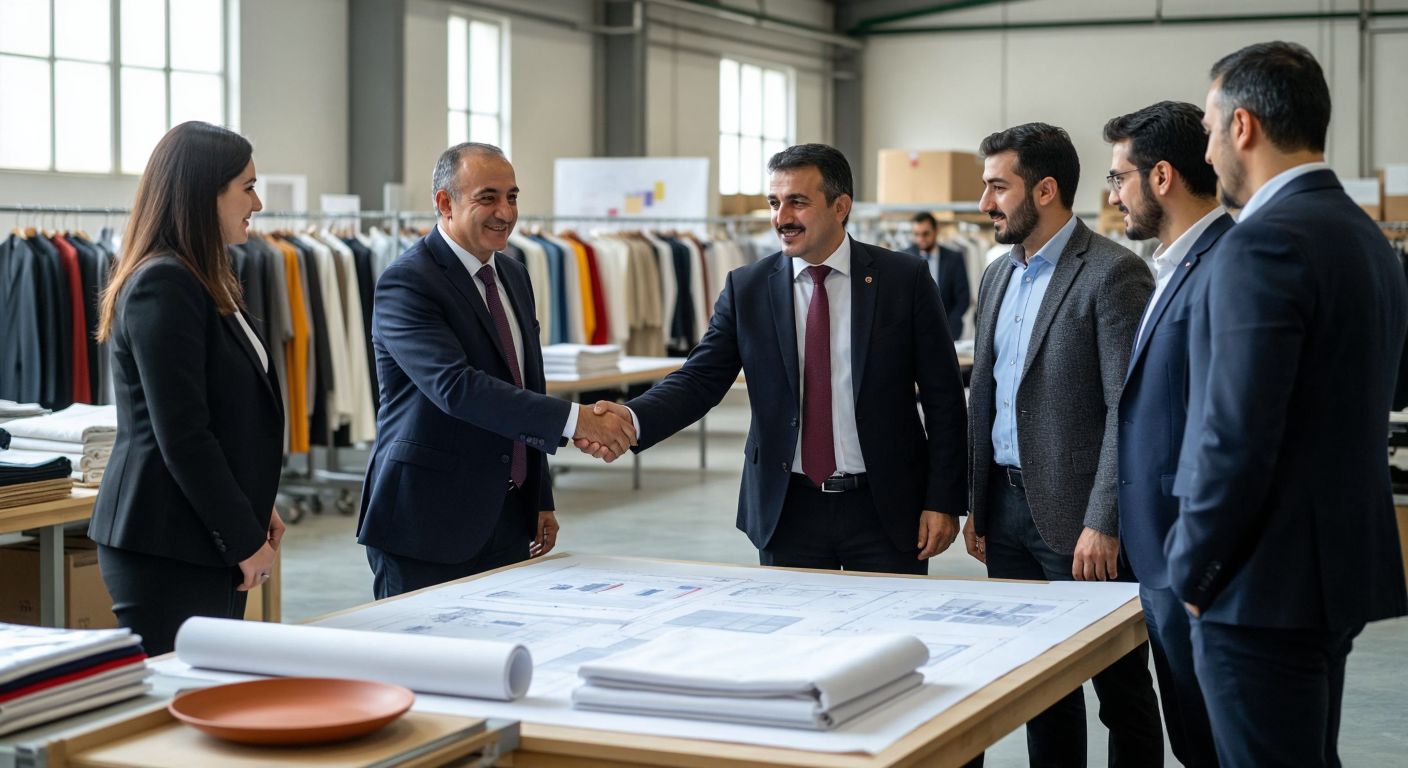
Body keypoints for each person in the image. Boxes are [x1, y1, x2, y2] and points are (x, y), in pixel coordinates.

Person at [1167, 41, 1408, 767]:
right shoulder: (1368, 241)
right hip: (1333, 573)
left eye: (1210, 130)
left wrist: (1192, 568)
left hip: (1256, 586)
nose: (1207, 154)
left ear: (1243, 126)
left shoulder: (1260, 245)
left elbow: (1233, 437)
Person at [581, 144, 968, 575]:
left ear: (841, 207)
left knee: (891, 637)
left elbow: (944, 398)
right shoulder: (747, 288)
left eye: (798, 202)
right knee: (797, 640)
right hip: (788, 510)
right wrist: (632, 419)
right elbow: (700, 379)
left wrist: (942, 499)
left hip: (886, 509)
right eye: (774, 202)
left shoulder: (904, 279)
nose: (781, 217)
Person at [962, 123, 1163, 766]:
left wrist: (1104, 521)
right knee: (1039, 689)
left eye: (998, 187)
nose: (985, 203)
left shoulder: (1113, 274)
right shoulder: (997, 276)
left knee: (1121, 689)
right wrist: (979, 504)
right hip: (1008, 511)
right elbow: (988, 396)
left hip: (1083, 524)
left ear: (1045, 190)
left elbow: (1126, 410)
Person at [358, 142, 636, 599]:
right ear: (445, 203)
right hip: (427, 520)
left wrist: (539, 497)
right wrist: (576, 420)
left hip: (507, 518)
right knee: (422, 664)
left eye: (512, 196)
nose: (505, 212)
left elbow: (525, 383)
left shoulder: (513, 273)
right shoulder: (407, 281)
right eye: (488, 197)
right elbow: (457, 388)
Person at [88, 121, 283, 656]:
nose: (258, 202)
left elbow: (224, 415)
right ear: (204, 192)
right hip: (167, 540)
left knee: (211, 695)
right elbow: (184, 434)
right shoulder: (164, 282)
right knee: (184, 707)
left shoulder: (205, 276)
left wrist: (250, 505)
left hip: (197, 531)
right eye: (246, 186)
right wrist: (241, 537)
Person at [1105, 101, 1230, 768]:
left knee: (1213, 743)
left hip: (1192, 557)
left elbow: (1226, 428)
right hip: (1161, 552)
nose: (1114, 194)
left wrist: (1196, 561)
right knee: (1191, 736)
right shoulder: (1169, 262)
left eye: (1117, 177)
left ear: (1160, 178)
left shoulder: (1224, 262)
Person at [902, 211, 971, 340]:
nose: (920, 239)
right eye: (916, 234)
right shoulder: (904, 257)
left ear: (936, 230)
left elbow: (963, 297)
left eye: (925, 234)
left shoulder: (954, 258)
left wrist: (950, 323)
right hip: (912, 330)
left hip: (949, 329)